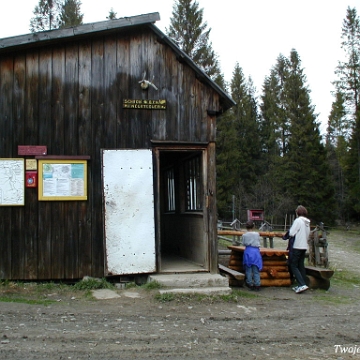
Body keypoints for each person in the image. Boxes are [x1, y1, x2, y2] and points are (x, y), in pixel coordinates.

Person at [289, 205, 310, 294]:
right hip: (304, 246)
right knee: (301, 265)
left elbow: (291, 233)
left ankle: (301, 284)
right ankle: (303, 283)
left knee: (293, 265)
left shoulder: (298, 221)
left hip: (297, 246)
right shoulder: (307, 222)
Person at [242, 220, 263, 290]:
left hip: (248, 251)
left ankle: (249, 283)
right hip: (255, 252)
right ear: (253, 226)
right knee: (256, 269)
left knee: (248, 269)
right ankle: (257, 284)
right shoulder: (257, 234)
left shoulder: (244, 235)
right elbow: (258, 241)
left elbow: (244, 243)